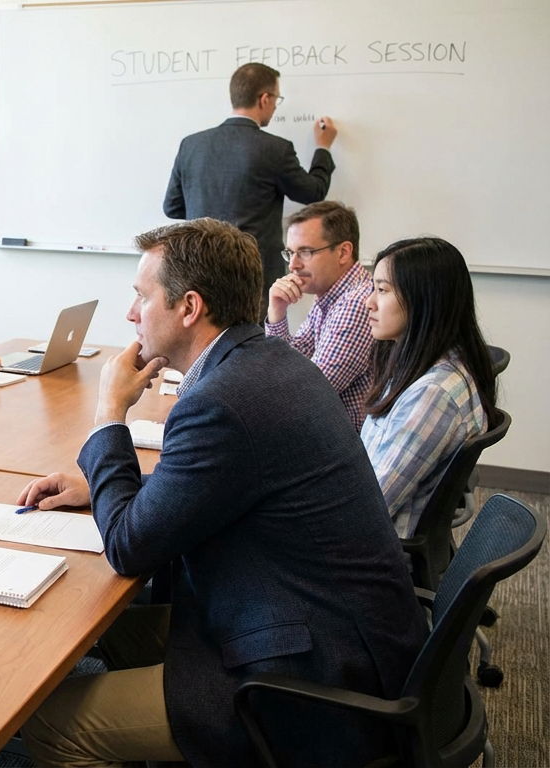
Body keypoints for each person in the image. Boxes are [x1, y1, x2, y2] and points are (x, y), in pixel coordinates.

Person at [16, 218, 425, 768]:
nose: (131, 313)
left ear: (189, 307)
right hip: (333, 627)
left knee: (51, 724)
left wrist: (109, 413)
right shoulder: (268, 364)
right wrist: (103, 486)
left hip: (309, 677)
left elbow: (130, 547)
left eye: (142, 297)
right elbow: (225, 483)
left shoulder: (222, 401)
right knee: (109, 629)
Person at [361, 237, 497, 538]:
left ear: (423, 300)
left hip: (374, 549)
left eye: (382, 290)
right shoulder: (421, 364)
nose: (369, 302)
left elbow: (371, 507)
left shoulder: (432, 395)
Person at [163, 62, 338, 294]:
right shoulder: (275, 149)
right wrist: (323, 148)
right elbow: (313, 192)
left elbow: (172, 207)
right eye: (276, 99)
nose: (275, 107)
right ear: (264, 99)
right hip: (254, 275)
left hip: (199, 271)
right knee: (258, 320)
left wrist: (206, 214)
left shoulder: (191, 145)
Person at [265, 201, 375, 428]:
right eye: (290, 253)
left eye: (305, 252)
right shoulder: (329, 296)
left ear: (343, 252)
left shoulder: (356, 303)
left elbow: (305, 395)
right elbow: (288, 366)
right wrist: (277, 312)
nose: (293, 265)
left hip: (343, 443)